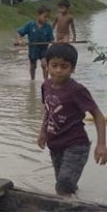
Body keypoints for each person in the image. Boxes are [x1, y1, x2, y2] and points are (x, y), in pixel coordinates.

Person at [37, 43, 106, 197]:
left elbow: (98, 115)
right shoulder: (46, 86)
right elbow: (48, 110)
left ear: (73, 69)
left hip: (76, 145)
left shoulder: (77, 90)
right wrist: (42, 132)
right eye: (54, 65)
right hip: (55, 144)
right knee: (65, 185)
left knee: (63, 186)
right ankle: (77, 199)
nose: (59, 70)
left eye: (64, 66)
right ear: (46, 66)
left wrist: (101, 144)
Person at [17, 5, 54, 80]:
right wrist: (20, 40)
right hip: (33, 48)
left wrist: (54, 44)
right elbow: (19, 33)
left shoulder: (48, 27)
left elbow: (51, 39)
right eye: (44, 17)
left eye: (47, 17)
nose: (46, 19)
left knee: (44, 64)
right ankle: (32, 80)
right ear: (38, 15)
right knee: (33, 66)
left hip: (44, 49)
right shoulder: (30, 25)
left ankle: (45, 81)